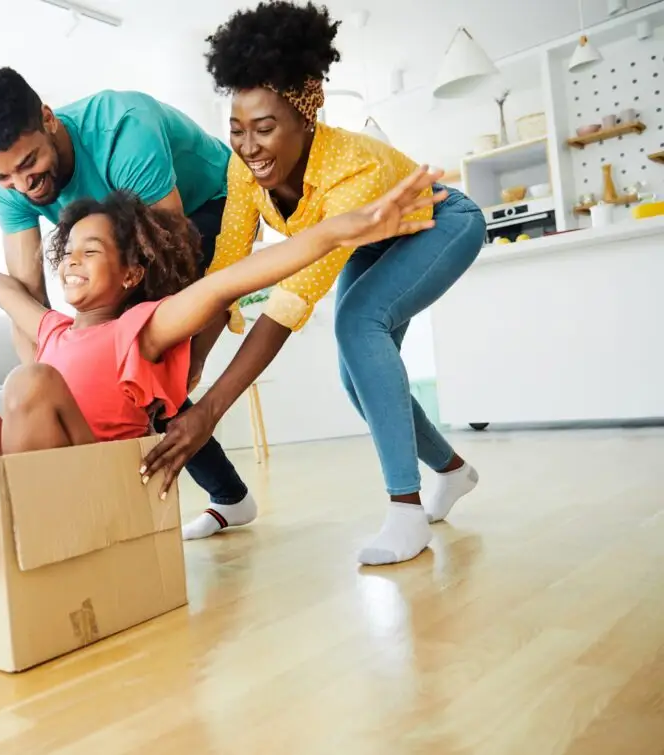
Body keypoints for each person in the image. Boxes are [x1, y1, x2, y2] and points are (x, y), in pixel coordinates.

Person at [140, 0, 487, 564]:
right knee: (356, 381)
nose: (248, 147)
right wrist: (190, 370)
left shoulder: (352, 167)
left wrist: (210, 412)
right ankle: (452, 471)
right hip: (371, 242)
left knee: (358, 323)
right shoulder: (242, 168)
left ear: (306, 119)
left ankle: (406, 509)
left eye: (265, 129)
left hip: (440, 223)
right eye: (236, 131)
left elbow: (288, 304)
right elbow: (226, 272)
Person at [0, 172, 446, 461]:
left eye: (92, 251)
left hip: (93, 480)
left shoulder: (142, 327)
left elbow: (230, 282)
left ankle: (19, 534)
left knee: (31, 380)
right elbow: (2, 292)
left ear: (130, 273)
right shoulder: (53, 330)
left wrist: (338, 231)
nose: (72, 260)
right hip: (33, 471)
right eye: (68, 252)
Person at [0, 66, 254, 527]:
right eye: (4, 176)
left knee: (142, 365)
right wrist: (57, 385)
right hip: (124, 228)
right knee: (105, 366)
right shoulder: (8, 189)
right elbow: (30, 300)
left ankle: (227, 495)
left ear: (48, 119)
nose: (23, 184)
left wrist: (187, 360)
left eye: (29, 164)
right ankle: (230, 495)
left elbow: (171, 264)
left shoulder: (123, 130)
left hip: (209, 207)